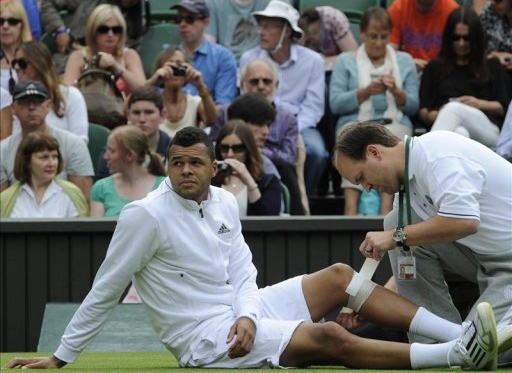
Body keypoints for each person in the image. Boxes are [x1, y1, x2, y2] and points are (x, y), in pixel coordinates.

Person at [2, 126, 500, 371]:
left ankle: (459, 335)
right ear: (167, 165)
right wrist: (61, 358)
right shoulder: (144, 216)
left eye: (196, 164)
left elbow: (243, 270)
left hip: (245, 309)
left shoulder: (221, 201)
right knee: (326, 338)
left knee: (338, 276)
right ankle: (455, 355)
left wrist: (247, 312)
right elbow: (105, 289)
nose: (185, 173)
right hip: (204, 338)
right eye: (176, 164)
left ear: (213, 167)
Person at [333, 121, 512, 365]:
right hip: (484, 259)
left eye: (362, 177)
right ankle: (434, 344)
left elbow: (466, 222)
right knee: (395, 221)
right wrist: (374, 302)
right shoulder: (406, 188)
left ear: (374, 152)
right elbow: (408, 256)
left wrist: (396, 236)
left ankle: (458, 348)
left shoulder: (437, 152)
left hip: (505, 265)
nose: (367, 188)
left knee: (480, 353)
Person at [330, 7, 419, 216]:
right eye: (372, 37)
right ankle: (349, 211)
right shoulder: (345, 61)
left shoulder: (405, 61)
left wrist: (396, 91)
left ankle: (387, 212)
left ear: (390, 35)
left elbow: (414, 105)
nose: (378, 43)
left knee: (396, 139)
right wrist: (365, 92)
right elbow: (335, 103)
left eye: (383, 37)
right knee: (349, 140)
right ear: (361, 34)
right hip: (356, 122)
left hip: (393, 121)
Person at [240, 0, 328, 197]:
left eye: (269, 26)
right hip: (257, 122)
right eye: (261, 25)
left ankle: (302, 200)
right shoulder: (249, 58)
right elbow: (245, 100)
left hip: (300, 125)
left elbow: (313, 108)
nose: (261, 32)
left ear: (287, 32)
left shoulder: (313, 61)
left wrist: (290, 129)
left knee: (315, 152)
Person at [419, 7, 511, 148]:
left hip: (488, 128)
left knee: (455, 109)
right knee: (459, 133)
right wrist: (437, 115)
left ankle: (421, 154)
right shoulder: (436, 66)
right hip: (448, 123)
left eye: (466, 38)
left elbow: (504, 107)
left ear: (475, 38)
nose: (461, 43)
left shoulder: (491, 64)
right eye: (456, 38)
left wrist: (478, 103)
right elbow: (423, 110)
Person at [0, 81, 94, 200]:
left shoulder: (73, 144)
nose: (32, 107)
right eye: (24, 102)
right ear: (13, 109)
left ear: (48, 105)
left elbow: (83, 200)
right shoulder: (3, 150)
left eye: (38, 101)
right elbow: (3, 206)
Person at [11, 41, 88, 142]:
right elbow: (16, 140)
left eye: (22, 63)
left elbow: (81, 141)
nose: (16, 67)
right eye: (14, 63)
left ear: (39, 64)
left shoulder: (71, 95)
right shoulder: (18, 100)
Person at [0, 131, 88, 218]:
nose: (51, 163)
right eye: (44, 157)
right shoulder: (6, 199)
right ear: (27, 162)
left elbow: (82, 229)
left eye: (54, 157)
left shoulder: (71, 193)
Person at [63, 4, 146, 95]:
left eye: (116, 30)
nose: (110, 34)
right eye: (103, 29)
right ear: (93, 31)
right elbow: (68, 94)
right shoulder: (78, 56)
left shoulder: (129, 55)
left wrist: (116, 66)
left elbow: (143, 91)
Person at [170, 0, 237, 105]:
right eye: (178, 19)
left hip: (209, 119)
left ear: (205, 22)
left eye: (189, 19)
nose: (182, 24)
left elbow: (223, 103)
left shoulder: (223, 57)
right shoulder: (169, 55)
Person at [90, 125, 166, 218]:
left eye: (111, 151)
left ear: (130, 155)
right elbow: (96, 230)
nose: (105, 156)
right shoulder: (101, 187)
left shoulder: (164, 187)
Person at [96, 86, 171, 179]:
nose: (142, 119)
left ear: (162, 115)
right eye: (136, 112)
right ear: (128, 115)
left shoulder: (175, 150)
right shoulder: (112, 151)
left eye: (149, 112)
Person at [145, 46, 218, 138]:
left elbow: (212, 121)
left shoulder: (195, 102)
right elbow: (127, 108)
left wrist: (201, 86)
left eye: (180, 66)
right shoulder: (153, 103)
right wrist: (152, 81)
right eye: (170, 66)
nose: (175, 71)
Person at [40, 0, 148, 52]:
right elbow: (47, 2)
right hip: (72, 54)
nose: (131, 0)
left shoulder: (137, 25)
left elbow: (130, 52)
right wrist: (59, 31)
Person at [213, 119, 281, 216]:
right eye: (224, 148)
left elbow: (268, 222)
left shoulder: (269, 182)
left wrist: (249, 181)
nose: (230, 154)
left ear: (248, 150)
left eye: (237, 148)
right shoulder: (210, 181)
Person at [204, 0, 290, 62]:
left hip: (264, 69)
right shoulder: (213, 2)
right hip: (226, 70)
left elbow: (283, 46)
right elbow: (209, 51)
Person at [387, 0, 458, 72]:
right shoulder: (397, 9)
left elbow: (458, 55)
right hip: (406, 71)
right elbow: (389, 52)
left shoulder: (452, 10)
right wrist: (409, 63)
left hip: (442, 73)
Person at [298, 6, 359, 71]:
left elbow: (354, 56)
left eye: (315, 31)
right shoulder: (299, 31)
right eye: (309, 40)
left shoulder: (333, 18)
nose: (315, 38)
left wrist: (322, 62)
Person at [0, 0, 31, 92]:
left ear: (22, 25)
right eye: (0, 21)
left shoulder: (36, 56)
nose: (5, 26)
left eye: (12, 21)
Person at [479, 0, 512, 70]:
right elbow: (478, 46)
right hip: (495, 68)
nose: (492, 2)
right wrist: (494, 55)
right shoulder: (489, 10)